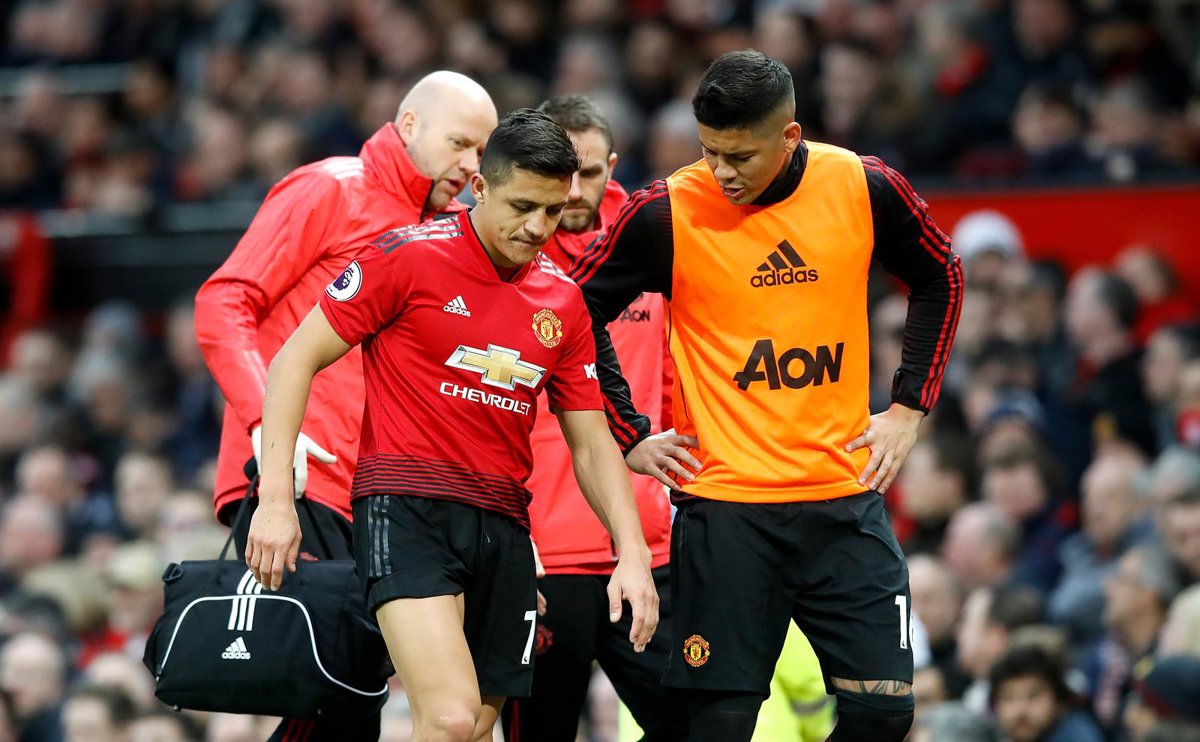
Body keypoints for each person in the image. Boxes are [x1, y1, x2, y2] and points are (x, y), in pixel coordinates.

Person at [569, 50, 964, 741]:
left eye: (740, 156)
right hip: (728, 513)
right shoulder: (667, 211)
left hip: (843, 498)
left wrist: (908, 410)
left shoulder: (863, 185)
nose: (721, 171)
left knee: (884, 712)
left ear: (790, 136)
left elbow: (942, 274)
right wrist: (629, 430)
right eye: (709, 151)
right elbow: (573, 310)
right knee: (716, 727)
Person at [246, 110, 659, 742]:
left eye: (551, 211)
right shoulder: (404, 257)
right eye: (522, 206)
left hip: (505, 525)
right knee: (450, 718)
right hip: (405, 509)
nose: (537, 226)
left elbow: (591, 440)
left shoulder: (564, 300)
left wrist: (630, 552)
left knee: (472, 731)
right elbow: (292, 360)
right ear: (481, 187)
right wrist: (276, 501)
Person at [194, 70, 496, 740]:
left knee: (345, 703)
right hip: (302, 478)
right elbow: (224, 301)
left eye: (483, 151)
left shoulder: (450, 232)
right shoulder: (332, 188)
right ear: (409, 125)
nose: (472, 164)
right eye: (459, 143)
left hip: (385, 498)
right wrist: (264, 427)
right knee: (337, 692)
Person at [501, 95, 682, 740]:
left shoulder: (648, 242)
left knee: (697, 724)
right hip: (545, 552)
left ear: (613, 164)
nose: (575, 191)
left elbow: (672, 383)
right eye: (561, 175)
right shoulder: (501, 254)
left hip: (646, 547)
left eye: (591, 172)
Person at [989, 644, 1103, 742]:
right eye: (1009, 697)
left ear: (1058, 700)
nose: (1021, 709)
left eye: (1033, 696)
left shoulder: (1079, 735)